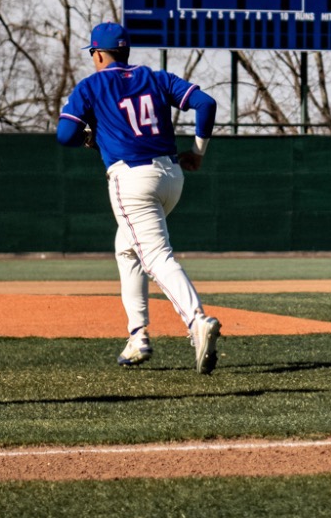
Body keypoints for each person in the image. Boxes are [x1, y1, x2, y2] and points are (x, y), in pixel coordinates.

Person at [56, 22, 224, 373]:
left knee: (156, 257)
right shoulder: (155, 77)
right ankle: (137, 337)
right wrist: (198, 151)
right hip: (171, 176)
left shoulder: (92, 84)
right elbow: (205, 103)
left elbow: (65, 134)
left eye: (93, 54)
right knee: (127, 248)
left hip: (131, 179)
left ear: (98, 53)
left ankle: (197, 322)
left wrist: (89, 133)